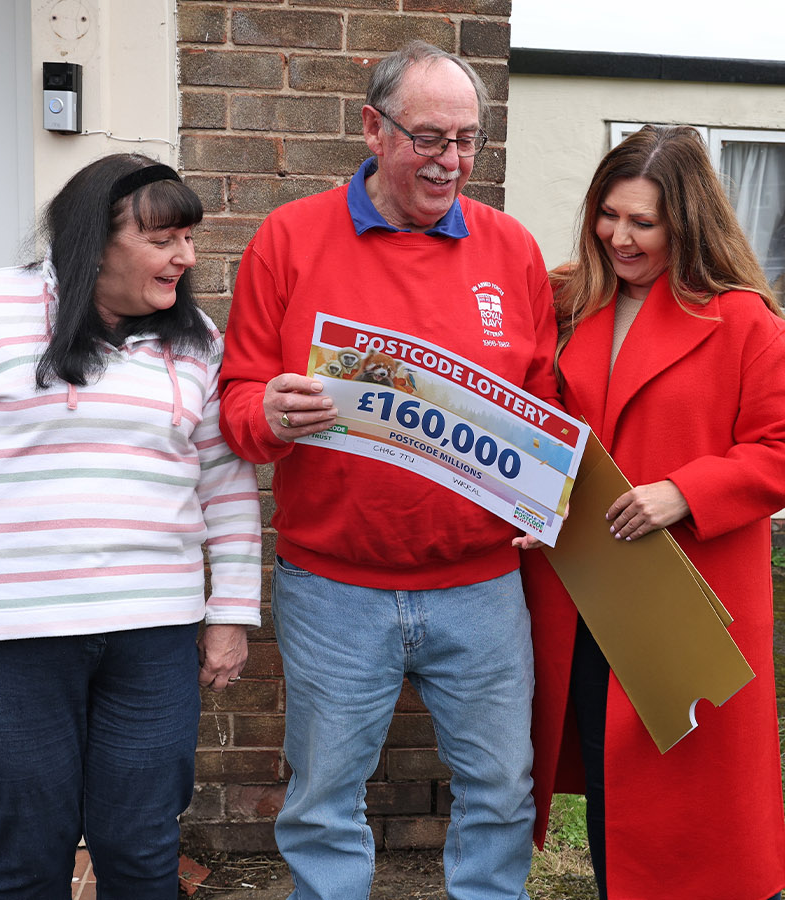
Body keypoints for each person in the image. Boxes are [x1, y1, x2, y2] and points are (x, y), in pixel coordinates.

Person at [217, 41, 559, 900]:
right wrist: (269, 414)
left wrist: (543, 494)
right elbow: (236, 403)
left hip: (482, 586)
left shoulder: (511, 250)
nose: (450, 162)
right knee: (324, 801)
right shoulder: (288, 239)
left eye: (468, 140)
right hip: (332, 589)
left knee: (502, 791)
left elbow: (546, 405)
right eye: (429, 138)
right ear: (373, 128)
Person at [0, 153, 263, 900]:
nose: (186, 255)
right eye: (164, 238)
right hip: (5, 640)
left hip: (153, 638)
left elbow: (227, 485)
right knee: (28, 858)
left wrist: (232, 614)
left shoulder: (197, 340)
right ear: (96, 239)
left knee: (144, 855)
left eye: (189, 237)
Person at [520, 125, 785, 900]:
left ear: (686, 223)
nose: (619, 237)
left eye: (643, 223)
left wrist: (687, 490)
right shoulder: (563, 301)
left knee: (694, 799)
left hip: (691, 589)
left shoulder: (748, 321)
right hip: (584, 588)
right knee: (610, 775)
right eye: (608, 215)